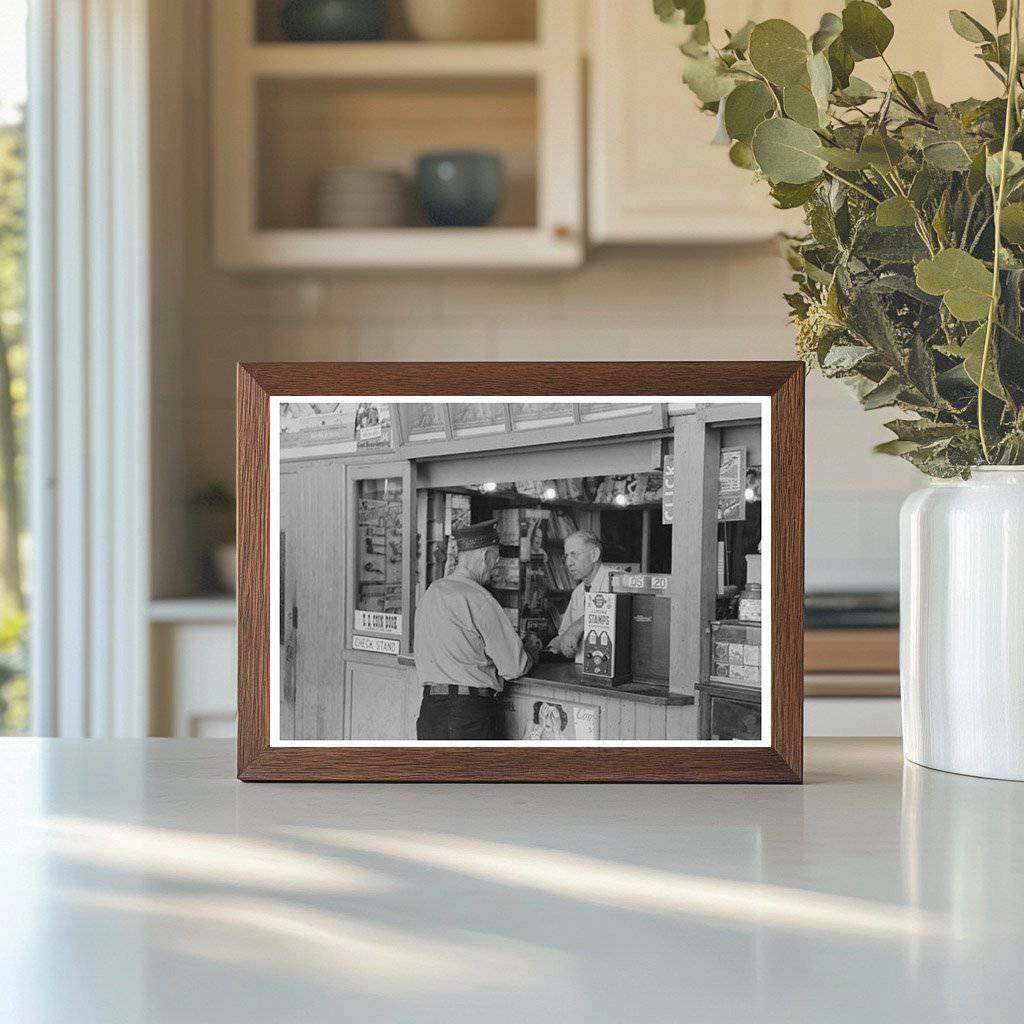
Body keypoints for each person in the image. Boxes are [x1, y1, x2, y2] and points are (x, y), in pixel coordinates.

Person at [414, 519, 540, 740]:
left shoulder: (432, 592)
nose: (495, 568)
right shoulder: (479, 599)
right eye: (496, 560)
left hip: (430, 712)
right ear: (486, 557)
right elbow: (514, 666)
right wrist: (533, 651)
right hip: (468, 715)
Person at [547, 530, 611, 663]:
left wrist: (578, 626)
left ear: (594, 555)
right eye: (566, 556)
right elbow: (565, 634)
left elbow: (612, 612)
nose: (568, 563)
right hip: (581, 668)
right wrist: (549, 649)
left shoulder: (617, 581)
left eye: (574, 555)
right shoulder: (578, 592)